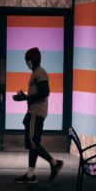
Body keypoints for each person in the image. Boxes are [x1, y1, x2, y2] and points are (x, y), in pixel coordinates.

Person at [12, 47, 63, 183]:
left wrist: (25, 98)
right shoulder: (37, 72)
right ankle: (30, 175)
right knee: (33, 144)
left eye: (28, 60)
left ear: (33, 60)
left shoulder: (39, 73)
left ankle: (54, 163)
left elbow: (45, 92)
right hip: (35, 112)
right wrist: (25, 97)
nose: (26, 62)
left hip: (36, 112)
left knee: (32, 142)